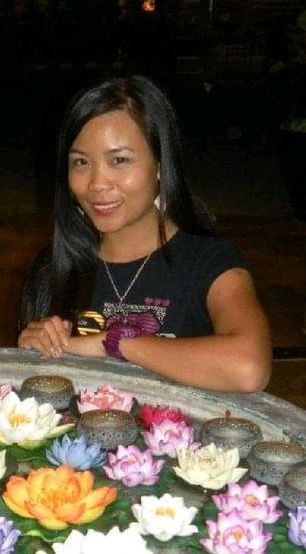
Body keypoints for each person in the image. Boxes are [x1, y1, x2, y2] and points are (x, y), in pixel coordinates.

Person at [18, 75, 272, 393]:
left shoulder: (209, 263)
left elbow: (248, 368)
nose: (97, 183)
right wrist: (32, 348)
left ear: (159, 166)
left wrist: (115, 342)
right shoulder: (53, 268)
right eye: (81, 162)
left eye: (119, 160)